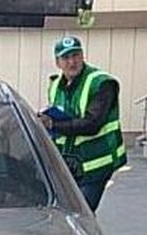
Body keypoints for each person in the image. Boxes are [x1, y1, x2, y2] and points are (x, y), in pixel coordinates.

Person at [38, 35, 127, 212]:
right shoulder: (56, 85)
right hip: (70, 164)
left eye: (75, 55)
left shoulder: (101, 83)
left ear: (82, 56)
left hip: (96, 162)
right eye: (66, 58)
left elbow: (92, 124)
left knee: (81, 215)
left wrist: (52, 124)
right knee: (68, 214)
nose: (72, 62)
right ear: (57, 62)